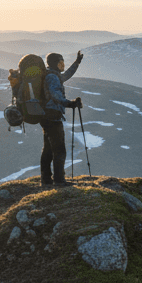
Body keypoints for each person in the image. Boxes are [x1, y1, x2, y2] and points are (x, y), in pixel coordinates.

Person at [40, 50, 84, 186]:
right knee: (59, 149)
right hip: (52, 116)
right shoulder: (52, 77)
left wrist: (76, 63)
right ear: (55, 64)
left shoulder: (53, 74)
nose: (63, 65)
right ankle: (59, 180)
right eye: (61, 62)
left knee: (48, 149)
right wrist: (70, 103)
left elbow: (66, 75)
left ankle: (46, 180)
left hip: (46, 116)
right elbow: (55, 95)